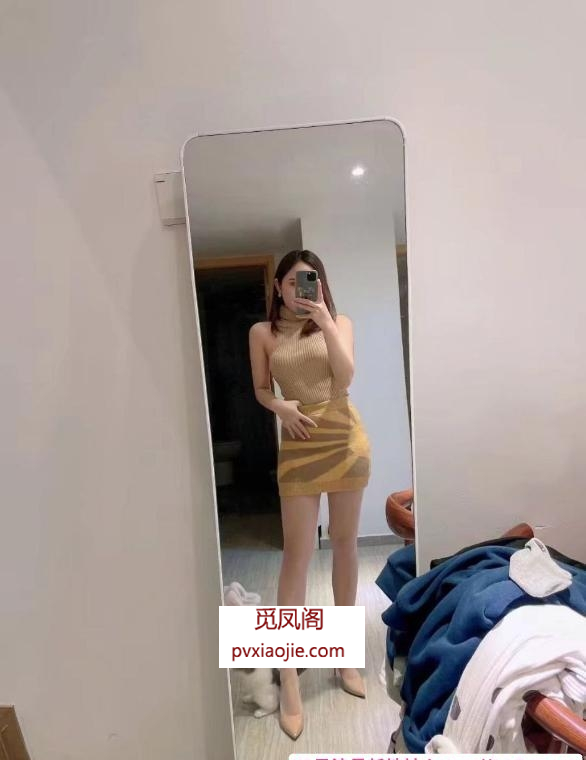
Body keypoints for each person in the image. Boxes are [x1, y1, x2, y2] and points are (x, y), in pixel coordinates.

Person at [248, 249, 371, 740]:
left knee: (344, 544)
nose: (303, 288)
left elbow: (346, 376)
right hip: (297, 444)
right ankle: (290, 673)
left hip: (344, 440)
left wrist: (322, 318)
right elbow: (261, 388)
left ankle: (343, 657)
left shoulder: (338, 321)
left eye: (312, 280)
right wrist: (280, 407)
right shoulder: (262, 333)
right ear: (279, 286)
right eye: (295, 281)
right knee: (296, 556)